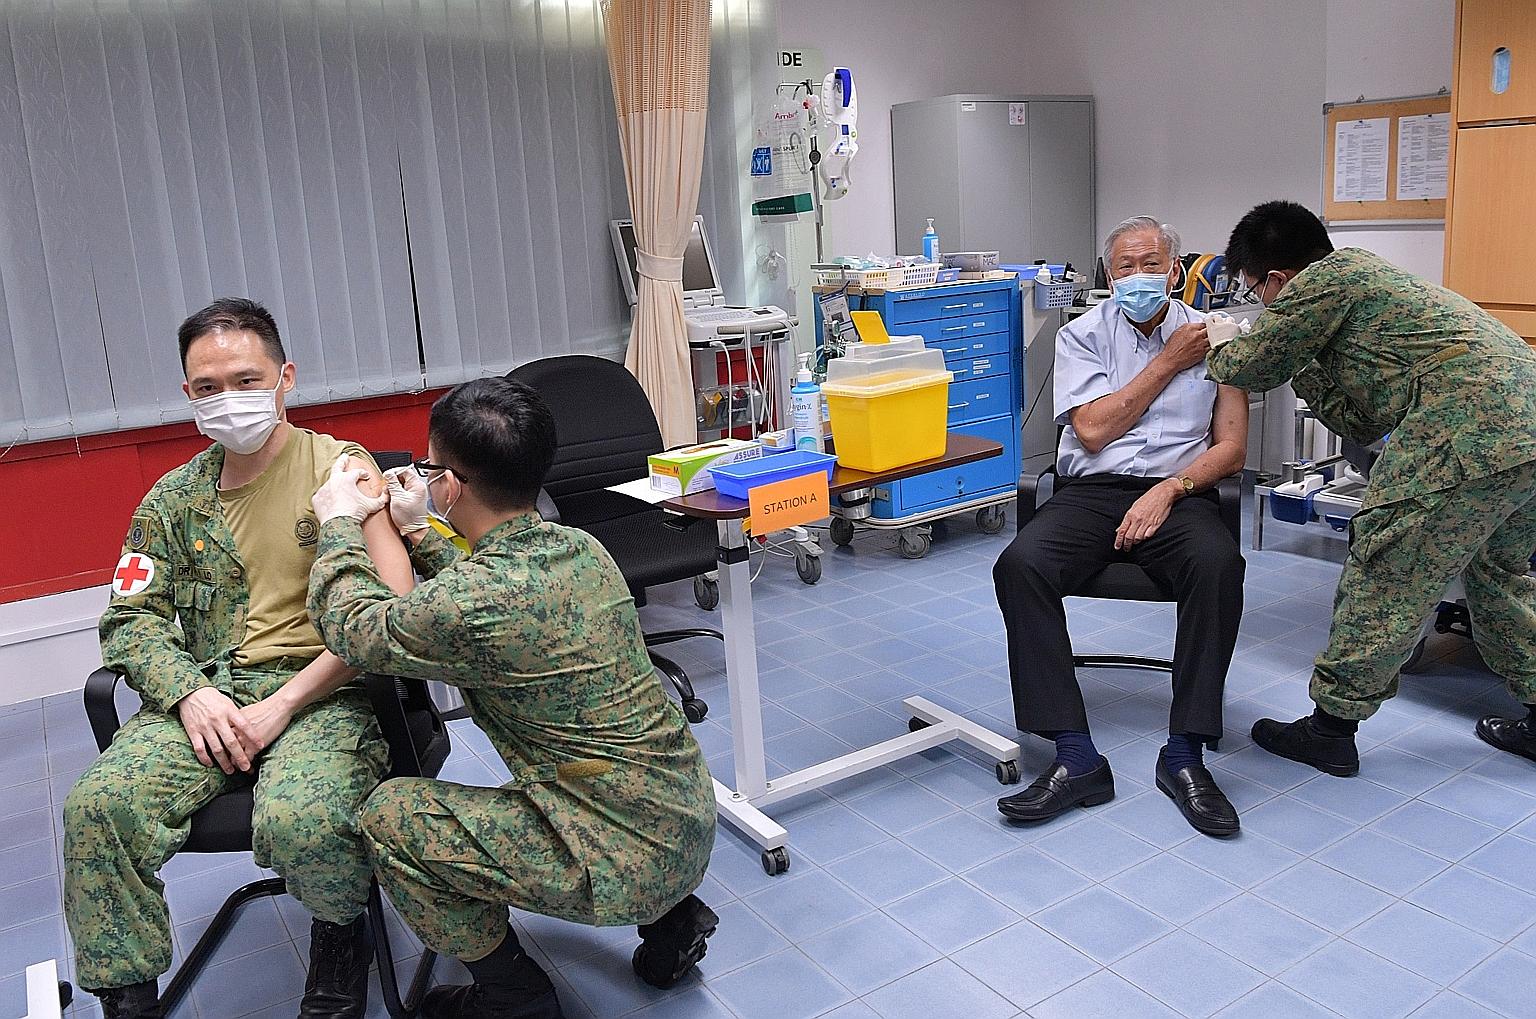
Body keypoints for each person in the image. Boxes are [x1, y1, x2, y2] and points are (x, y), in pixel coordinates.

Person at [306, 377, 719, 1019]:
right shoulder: (580, 549)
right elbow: (494, 596)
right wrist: (423, 535)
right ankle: (671, 920)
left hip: (618, 852)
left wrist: (337, 525)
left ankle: (511, 997)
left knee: (391, 818)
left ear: (451, 482)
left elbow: (355, 629)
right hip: (685, 821)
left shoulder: (473, 602)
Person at [63, 299, 414, 1019]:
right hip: (211, 691)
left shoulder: (342, 470)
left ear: (284, 377)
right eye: (207, 386)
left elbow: (388, 610)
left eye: (245, 379)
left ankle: (339, 931)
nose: (228, 399)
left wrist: (282, 704)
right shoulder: (170, 501)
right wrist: (190, 693)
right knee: (96, 808)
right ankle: (128, 989)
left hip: (324, 689)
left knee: (304, 819)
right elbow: (130, 619)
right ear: (188, 394)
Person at [1209, 200, 1536, 774]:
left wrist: (1217, 344)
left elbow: (1250, 367)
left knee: (1387, 571)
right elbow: (1359, 421)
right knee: (1498, 576)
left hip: (1464, 430)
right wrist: (1300, 362)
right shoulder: (1367, 287)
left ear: (1279, 278)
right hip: (1524, 433)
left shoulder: (1332, 277)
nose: (1258, 301)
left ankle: (1330, 730)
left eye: (1254, 289)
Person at [994, 216, 1248, 837]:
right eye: (1126, 267)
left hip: (1179, 491)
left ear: (1177, 269)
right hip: (1092, 490)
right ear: (1109, 274)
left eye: (1152, 264)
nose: (1139, 277)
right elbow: (1093, 430)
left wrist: (1170, 489)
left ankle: (1185, 754)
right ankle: (1076, 757)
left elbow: (1233, 447)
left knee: (1219, 566)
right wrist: (1167, 362)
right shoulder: (1080, 336)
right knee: (1020, 565)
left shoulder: (1220, 339)